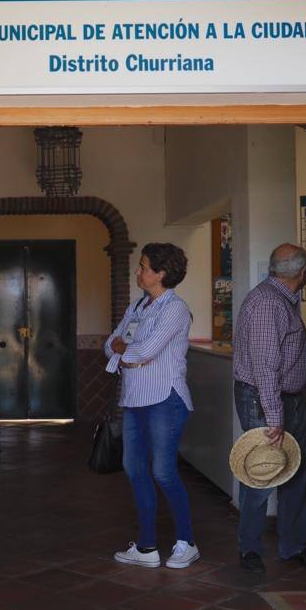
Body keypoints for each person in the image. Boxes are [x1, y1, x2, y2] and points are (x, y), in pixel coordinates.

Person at [232, 243, 306, 573]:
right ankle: (251, 549)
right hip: (265, 398)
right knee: (262, 471)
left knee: (295, 471)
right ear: (302, 272)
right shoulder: (268, 303)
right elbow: (265, 367)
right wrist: (274, 417)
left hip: (287, 398)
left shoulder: (282, 300)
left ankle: (293, 545)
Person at [107, 243, 199, 569]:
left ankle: (186, 542)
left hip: (165, 399)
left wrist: (126, 352)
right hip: (134, 399)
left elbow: (145, 350)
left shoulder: (174, 309)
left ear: (161, 273)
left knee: (163, 472)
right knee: (134, 469)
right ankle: (146, 547)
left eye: (144, 267)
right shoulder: (138, 306)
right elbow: (111, 344)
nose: (138, 272)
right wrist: (124, 350)